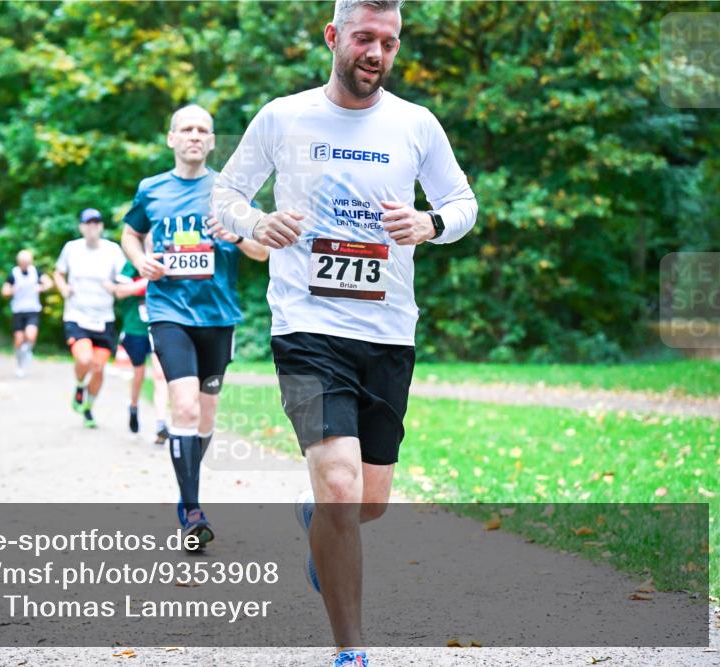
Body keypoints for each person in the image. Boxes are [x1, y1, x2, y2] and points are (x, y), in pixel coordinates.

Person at [212, 1, 478, 664]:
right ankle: (351, 650)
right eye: (364, 38)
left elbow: (462, 202)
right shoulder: (283, 116)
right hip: (307, 327)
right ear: (334, 37)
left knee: (369, 502)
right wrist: (255, 224)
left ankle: (322, 529)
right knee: (338, 485)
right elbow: (225, 197)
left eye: (388, 42)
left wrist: (430, 225)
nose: (376, 53)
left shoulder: (415, 124)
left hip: (388, 332)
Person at [121, 104, 269, 549]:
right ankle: (193, 512)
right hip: (168, 311)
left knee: (204, 417)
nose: (194, 136)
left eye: (202, 130)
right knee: (182, 408)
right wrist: (139, 259)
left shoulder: (231, 191)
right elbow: (130, 233)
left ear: (211, 141)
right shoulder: (152, 190)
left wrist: (238, 236)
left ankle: (187, 492)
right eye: (186, 129)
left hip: (218, 317)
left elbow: (264, 250)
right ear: (171, 138)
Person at [53, 208, 128, 428]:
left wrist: (114, 287)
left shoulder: (113, 251)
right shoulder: (72, 248)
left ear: (102, 226)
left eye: (96, 222)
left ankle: (88, 407)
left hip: (104, 319)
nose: (92, 226)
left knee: (98, 368)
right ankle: (78, 385)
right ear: (81, 227)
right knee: (84, 360)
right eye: (88, 223)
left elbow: (125, 280)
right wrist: (64, 288)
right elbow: (58, 272)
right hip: (76, 316)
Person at [112, 260, 171, 440]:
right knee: (138, 374)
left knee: (160, 375)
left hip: (160, 325)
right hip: (134, 328)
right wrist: (148, 281)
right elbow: (120, 292)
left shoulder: (167, 258)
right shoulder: (131, 264)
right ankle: (134, 406)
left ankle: (161, 423)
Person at [1, 250, 53, 378]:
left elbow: (49, 283)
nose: (25, 264)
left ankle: (27, 351)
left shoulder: (36, 272)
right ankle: (19, 365)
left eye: (27, 262)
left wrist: (41, 288)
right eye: (23, 262)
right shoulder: (14, 273)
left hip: (32, 309)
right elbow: (4, 291)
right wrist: (12, 290)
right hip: (18, 310)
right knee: (19, 340)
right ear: (19, 262)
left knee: (31, 336)